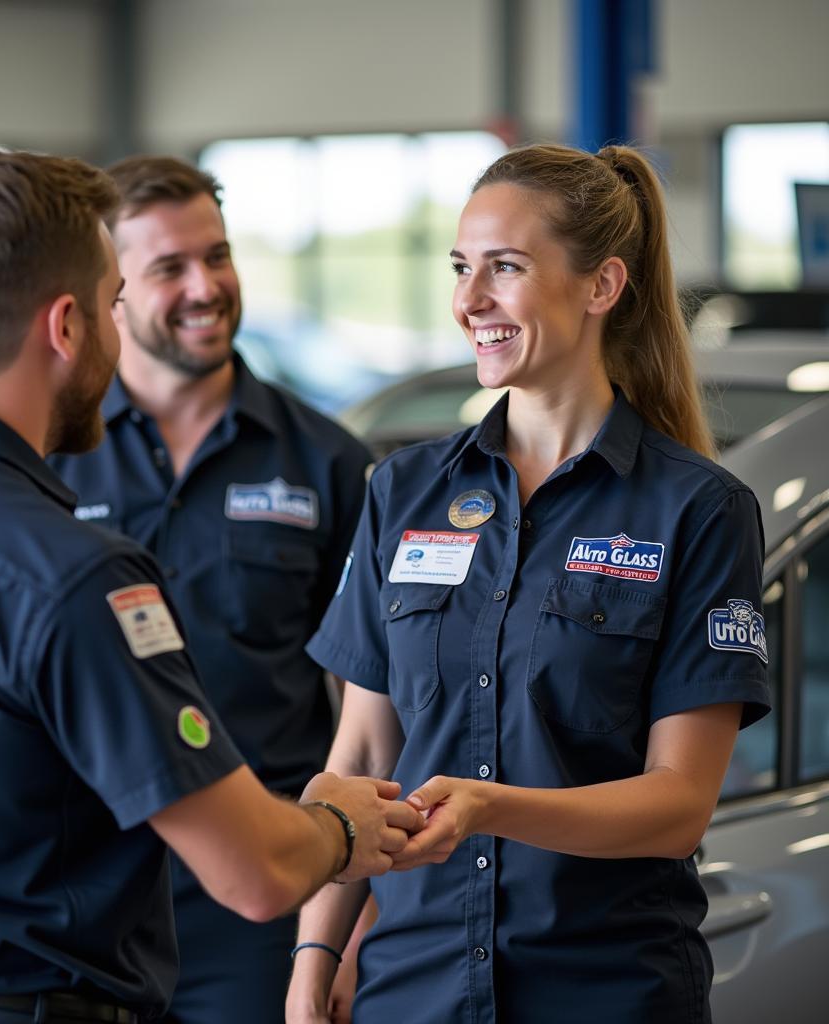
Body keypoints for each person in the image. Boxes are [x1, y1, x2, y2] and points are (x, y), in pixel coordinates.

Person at [0, 143, 423, 1024]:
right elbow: (256, 872)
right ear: (67, 326)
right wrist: (341, 825)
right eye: (114, 302)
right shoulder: (73, 573)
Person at [285, 143, 771, 1024]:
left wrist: (488, 807)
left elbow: (678, 805)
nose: (469, 301)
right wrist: (314, 957)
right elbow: (359, 760)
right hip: (414, 990)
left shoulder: (697, 509)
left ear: (601, 286)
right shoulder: (404, 492)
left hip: (605, 992)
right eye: (462, 268)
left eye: (504, 268)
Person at [49, 156, 372, 1024]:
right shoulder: (49, 457)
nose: (207, 286)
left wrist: (350, 915)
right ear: (112, 289)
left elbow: (377, 704)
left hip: (267, 893)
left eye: (218, 256)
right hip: (82, 893)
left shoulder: (328, 465)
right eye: (169, 268)